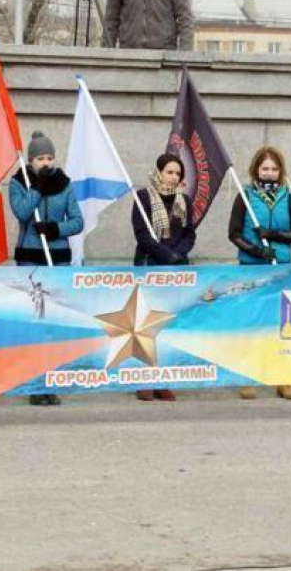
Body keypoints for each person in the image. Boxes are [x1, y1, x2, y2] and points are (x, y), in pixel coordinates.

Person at [9, 131, 84, 406]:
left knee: (54, 324)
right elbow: (21, 212)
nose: (46, 162)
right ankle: (34, 384)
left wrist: (55, 228)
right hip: (30, 261)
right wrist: (36, 189)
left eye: (50, 157)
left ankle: (51, 382)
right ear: (31, 160)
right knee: (34, 323)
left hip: (57, 260)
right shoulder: (19, 182)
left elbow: (77, 221)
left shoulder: (64, 184)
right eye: (40, 158)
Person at [228, 146, 291, 402]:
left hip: (281, 267)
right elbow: (234, 233)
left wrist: (272, 236)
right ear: (256, 170)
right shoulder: (245, 197)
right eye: (265, 168)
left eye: (274, 169)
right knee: (252, 322)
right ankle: (248, 377)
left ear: (280, 171)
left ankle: (283, 378)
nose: (270, 173)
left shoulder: (290, 198)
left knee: (282, 324)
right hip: (252, 267)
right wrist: (254, 250)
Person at [132, 153, 196, 402]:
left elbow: (190, 234)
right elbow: (142, 234)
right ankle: (143, 379)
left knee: (167, 324)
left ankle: (163, 379)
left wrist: (177, 254)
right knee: (147, 324)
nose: (174, 177)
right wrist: (165, 254)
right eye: (169, 172)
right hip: (150, 266)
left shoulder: (184, 201)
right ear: (159, 172)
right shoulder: (144, 197)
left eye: (178, 173)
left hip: (175, 269)